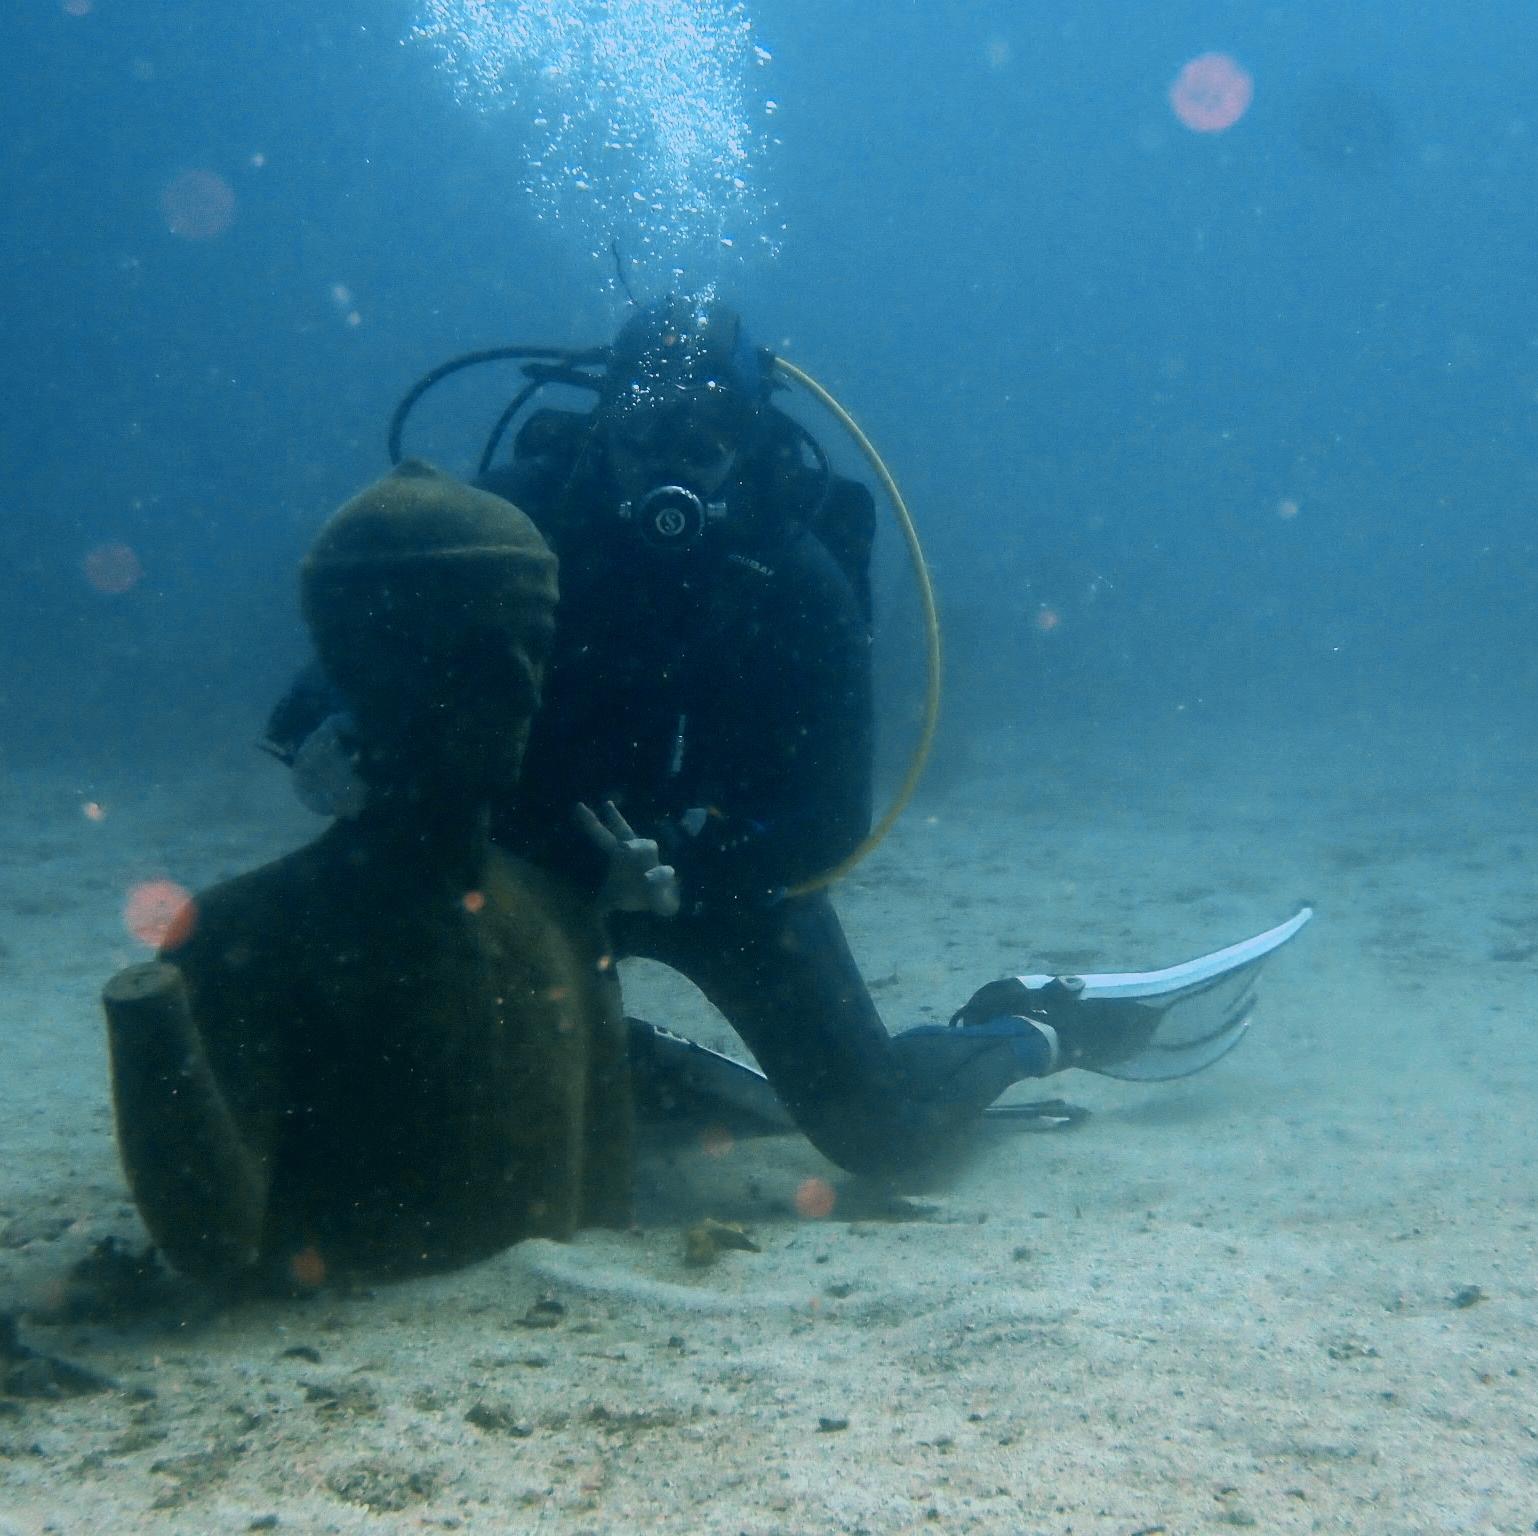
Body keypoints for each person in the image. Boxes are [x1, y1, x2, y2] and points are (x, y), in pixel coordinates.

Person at [266, 296, 1271, 1181]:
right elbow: (363, 641)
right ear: (602, 425)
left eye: (702, 437)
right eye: (644, 430)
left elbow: (829, 822)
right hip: (522, 866)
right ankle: (623, 1059)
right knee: (399, 1086)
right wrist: (326, 727)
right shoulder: (509, 523)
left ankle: (1032, 1024)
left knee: (888, 1136)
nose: (668, 465)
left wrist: (687, 871)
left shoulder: (795, 579)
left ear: (745, 440)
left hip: (720, 881)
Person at [103, 463, 643, 1288]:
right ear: (359, 671)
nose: (521, 690)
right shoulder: (243, 941)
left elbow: (607, 1204)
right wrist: (150, 1028)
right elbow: (216, 1239)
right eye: (470, 653)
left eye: (534, 647)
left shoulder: (563, 919)